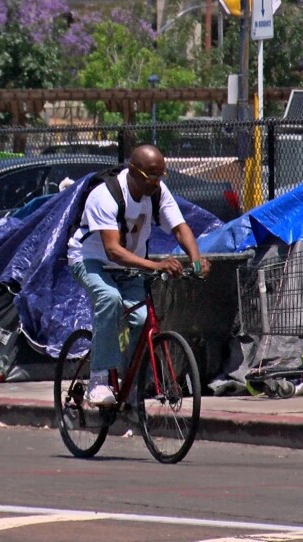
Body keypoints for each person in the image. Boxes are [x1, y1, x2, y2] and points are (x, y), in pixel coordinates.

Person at [67, 144, 210, 405]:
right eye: (150, 177)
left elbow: (179, 228)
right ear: (133, 171)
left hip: (130, 266)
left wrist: (195, 257)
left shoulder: (157, 192)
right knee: (110, 299)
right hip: (90, 259)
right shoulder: (105, 195)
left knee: (143, 318)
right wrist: (155, 266)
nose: (156, 182)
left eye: (160, 176)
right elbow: (112, 251)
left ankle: (129, 383)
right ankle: (98, 381)